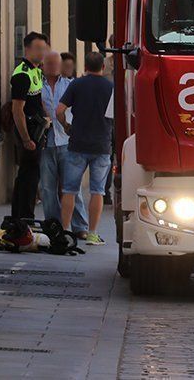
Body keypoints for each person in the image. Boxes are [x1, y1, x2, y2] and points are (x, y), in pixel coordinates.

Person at [57, 52, 114, 246]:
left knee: (69, 190)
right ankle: (92, 233)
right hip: (102, 145)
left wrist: (66, 126)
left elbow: (59, 110)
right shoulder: (110, 87)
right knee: (98, 191)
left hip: (77, 144)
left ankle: (65, 231)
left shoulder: (76, 84)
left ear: (85, 67)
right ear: (103, 68)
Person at [39, 51, 90, 237]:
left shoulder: (71, 85)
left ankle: (80, 227)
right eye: (49, 64)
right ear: (43, 65)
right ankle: (54, 225)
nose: (53, 67)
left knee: (72, 186)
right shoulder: (38, 86)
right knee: (47, 187)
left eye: (56, 64)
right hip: (46, 142)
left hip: (67, 142)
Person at [10, 32, 50, 219]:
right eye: (38, 48)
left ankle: (23, 216)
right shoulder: (22, 74)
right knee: (28, 178)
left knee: (30, 175)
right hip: (28, 132)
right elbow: (17, 110)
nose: (42, 52)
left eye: (44, 48)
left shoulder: (37, 70)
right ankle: (24, 217)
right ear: (27, 49)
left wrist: (46, 116)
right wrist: (26, 139)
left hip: (38, 129)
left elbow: (38, 99)